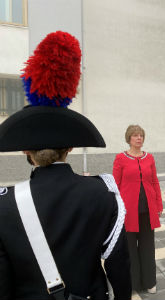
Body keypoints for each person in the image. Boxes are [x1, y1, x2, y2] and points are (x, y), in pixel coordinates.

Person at [0, 31, 131, 300]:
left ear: (26, 150)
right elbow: (120, 270)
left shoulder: (4, 205)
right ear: (71, 147)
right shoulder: (102, 195)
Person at [113, 125, 163, 294]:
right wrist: (116, 208)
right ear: (129, 139)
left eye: (141, 135)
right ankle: (133, 283)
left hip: (147, 211)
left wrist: (158, 205)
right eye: (135, 136)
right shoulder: (121, 158)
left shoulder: (149, 158)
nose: (139, 138)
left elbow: (155, 181)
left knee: (148, 248)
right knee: (130, 249)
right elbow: (115, 185)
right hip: (128, 212)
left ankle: (149, 282)